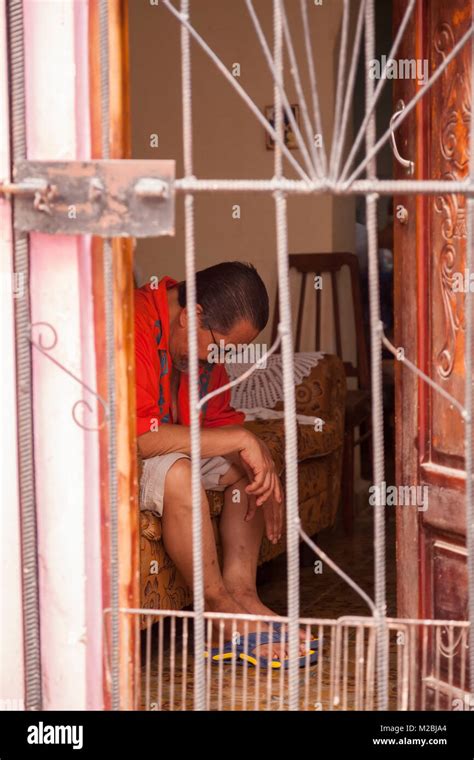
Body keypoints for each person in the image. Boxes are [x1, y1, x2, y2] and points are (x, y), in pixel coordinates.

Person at [135, 261, 317, 667]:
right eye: (221, 346)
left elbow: (218, 421)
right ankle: (217, 614)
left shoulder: (201, 350)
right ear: (192, 313)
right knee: (181, 474)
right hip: (122, 456)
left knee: (248, 469)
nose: (221, 358)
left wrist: (258, 461)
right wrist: (240, 438)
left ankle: (242, 597)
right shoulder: (134, 324)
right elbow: (143, 438)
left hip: (172, 445)